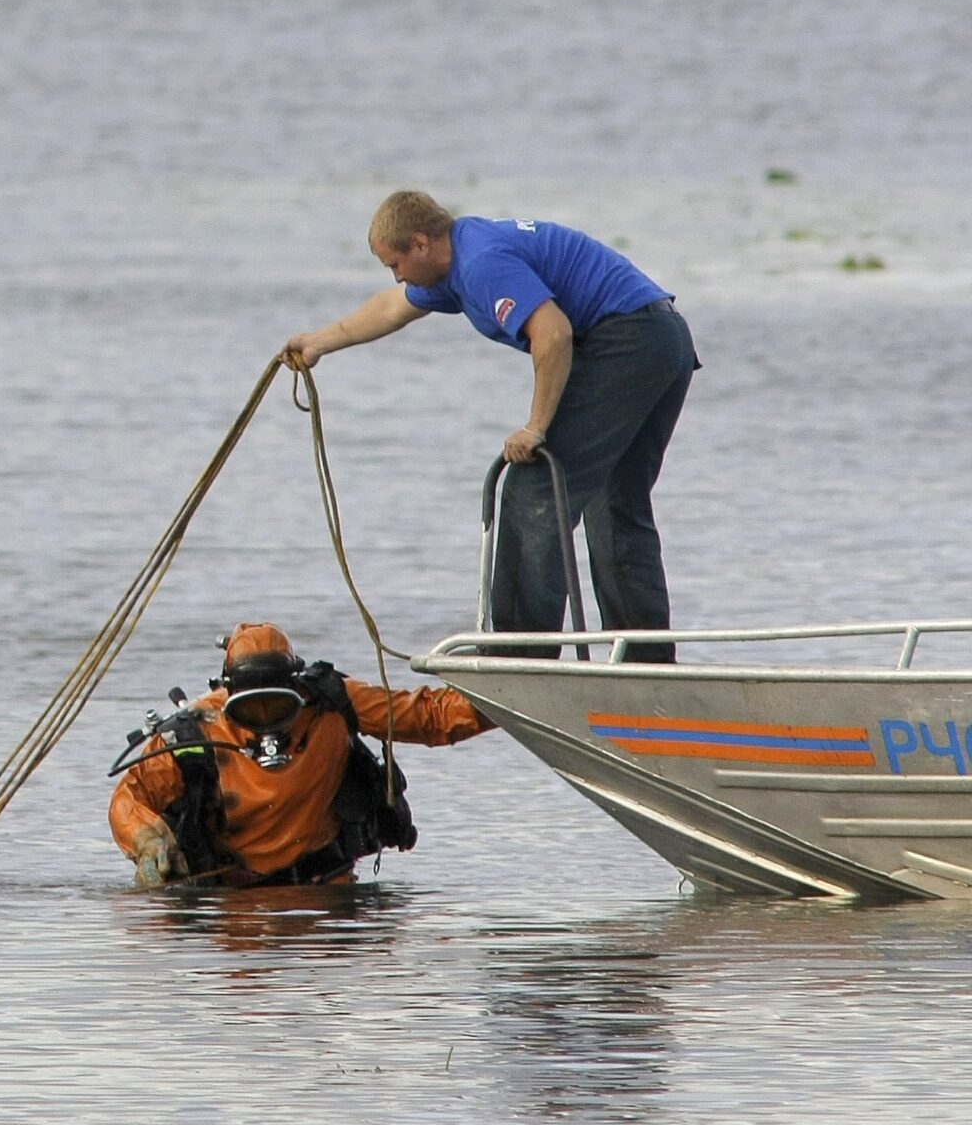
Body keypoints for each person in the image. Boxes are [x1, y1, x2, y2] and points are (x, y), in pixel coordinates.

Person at [283, 191, 696, 660]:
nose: (396, 275)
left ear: (420, 243)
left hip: (628, 343)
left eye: (394, 263)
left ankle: (520, 652)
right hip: (664, 339)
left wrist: (536, 428)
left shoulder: (480, 263)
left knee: (534, 487)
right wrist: (318, 343)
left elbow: (553, 333)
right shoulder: (458, 256)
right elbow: (393, 308)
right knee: (614, 501)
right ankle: (644, 659)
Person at [110, 623, 492, 889]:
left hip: (328, 893)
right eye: (250, 711)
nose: (265, 725)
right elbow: (131, 796)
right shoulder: (198, 732)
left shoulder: (332, 702)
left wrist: (513, 696)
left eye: (277, 708)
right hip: (234, 907)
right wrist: (147, 839)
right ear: (227, 701)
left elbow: (430, 717)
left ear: (297, 689)